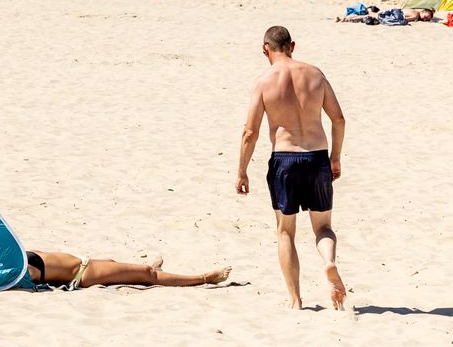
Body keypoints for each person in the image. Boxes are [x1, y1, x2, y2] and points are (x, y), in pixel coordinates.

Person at [236, 26, 347, 310]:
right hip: (317, 157)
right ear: (292, 46)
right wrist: (335, 157)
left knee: (286, 231)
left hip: (284, 161)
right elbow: (339, 120)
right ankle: (329, 262)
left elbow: (251, 132)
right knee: (323, 227)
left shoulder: (263, 82)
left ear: (265, 49)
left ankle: (295, 300)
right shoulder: (315, 74)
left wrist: (242, 171)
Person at [26, 250, 229, 289]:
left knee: (114, 262)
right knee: (149, 275)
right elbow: (29, 277)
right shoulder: (20, 270)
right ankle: (203, 278)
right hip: (84, 273)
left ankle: (146, 268)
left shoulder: (13, 253)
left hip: (86, 261)